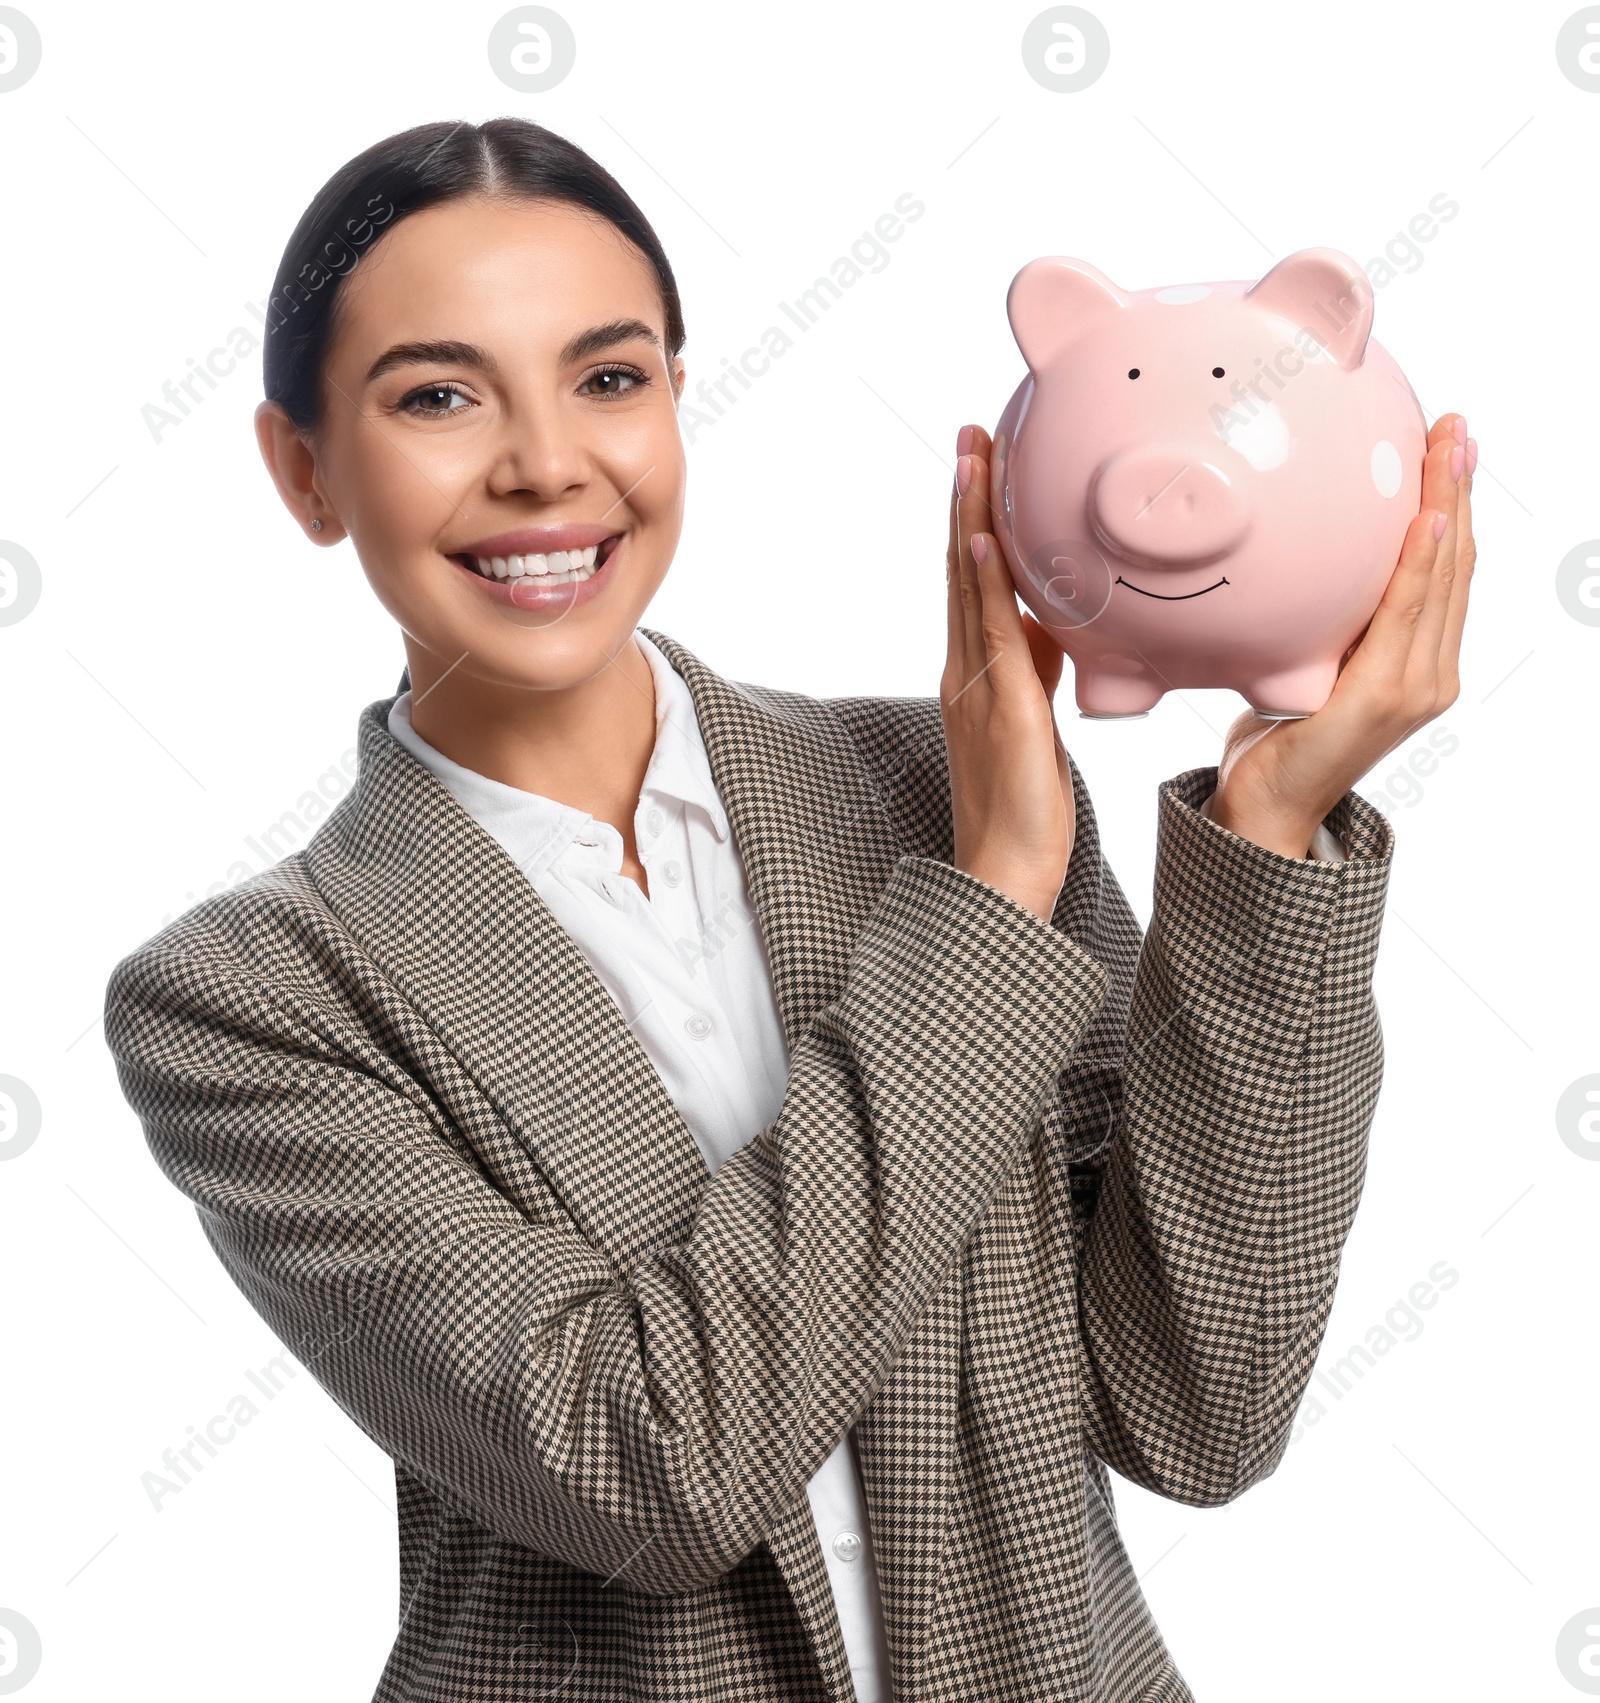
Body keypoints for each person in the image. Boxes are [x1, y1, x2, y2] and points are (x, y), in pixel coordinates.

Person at [102, 116, 1476, 1703]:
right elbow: (654, 1469)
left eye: (608, 377)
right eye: (435, 396)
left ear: (680, 402)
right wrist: (990, 902)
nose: (547, 461)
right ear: (304, 471)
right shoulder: (251, 999)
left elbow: (1199, 1406)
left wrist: (1267, 827)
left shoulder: (929, 785)